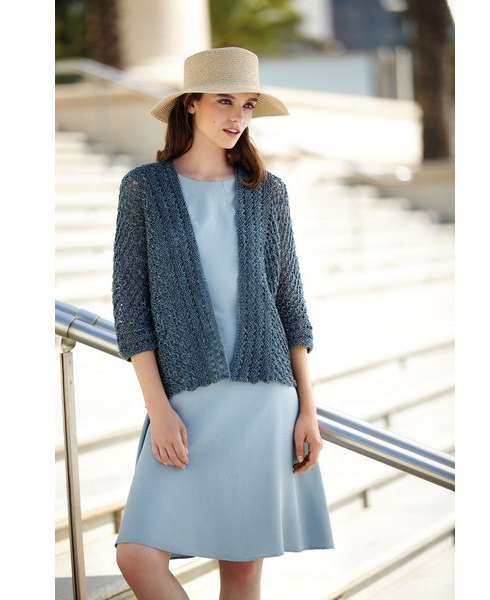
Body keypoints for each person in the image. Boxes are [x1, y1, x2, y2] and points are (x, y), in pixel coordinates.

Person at [112, 47, 334, 600]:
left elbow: (290, 306)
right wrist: (158, 410)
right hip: (184, 402)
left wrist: (308, 410)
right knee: (137, 555)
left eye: (248, 105)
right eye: (224, 101)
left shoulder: (267, 192)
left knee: (240, 569)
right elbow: (131, 311)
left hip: (264, 401)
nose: (238, 117)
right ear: (191, 104)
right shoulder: (145, 188)